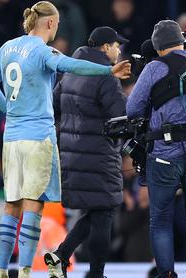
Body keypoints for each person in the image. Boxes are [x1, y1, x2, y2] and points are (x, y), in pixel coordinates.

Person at [0, 2, 131, 278]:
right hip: (37, 137)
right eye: (58, 25)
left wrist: (9, 110)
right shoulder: (42, 51)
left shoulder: (7, 48)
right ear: (50, 23)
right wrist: (107, 71)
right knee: (33, 205)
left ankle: (2, 271)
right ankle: (25, 272)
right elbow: (70, 64)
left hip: (11, 137)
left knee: (11, 205)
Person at [126, 20, 186, 278]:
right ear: (181, 41)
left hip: (164, 155)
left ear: (157, 47)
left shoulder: (154, 68)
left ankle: (167, 274)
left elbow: (132, 109)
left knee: (161, 220)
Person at [43, 26, 129, 278]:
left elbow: (53, 107)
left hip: (71, 156)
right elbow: (120, 117)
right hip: (99, 156)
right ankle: (95, 274)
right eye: (116, 45)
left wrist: (68, 134)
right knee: (104, 212)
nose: (119, 50)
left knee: (96, 210)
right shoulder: (106, 77)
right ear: (105, 48)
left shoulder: (70, 71)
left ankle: (60, 256)